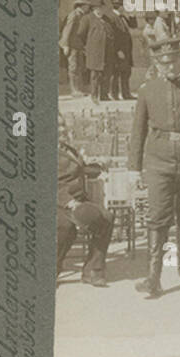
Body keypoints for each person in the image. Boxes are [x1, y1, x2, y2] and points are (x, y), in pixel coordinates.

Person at [129, 37, 180, 297]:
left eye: (173, 61)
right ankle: (153, 276)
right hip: (158, 161)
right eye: (164, 63)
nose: (169, 66)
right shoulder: (148, 90)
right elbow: (138, 131)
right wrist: (133, 167)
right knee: (158, 217)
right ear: (158, 65)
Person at [56, 116, 113, 286]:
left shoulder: (68, 149)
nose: (62, 130)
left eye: (63, 125)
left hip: (78, 200)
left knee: (106, 218)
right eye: (57, 126)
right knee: (66, 228)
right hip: (58, 202)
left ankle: (92, 271)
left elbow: (79, 170)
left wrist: (98, 168)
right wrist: (68, 201)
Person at [60, 0, 93, 95]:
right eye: (87, 5)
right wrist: (65, 45)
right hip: (72, 46)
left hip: (78, 46)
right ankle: (74, 90)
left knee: (79, 67)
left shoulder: (82, 15)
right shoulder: (74, 15)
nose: (88, 7)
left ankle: (79, 89)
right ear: (82, 5)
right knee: (73, 67)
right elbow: (67, 30)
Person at [84, 0, 116, 103]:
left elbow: (112, 33)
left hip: (107, 52)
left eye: (102, 8)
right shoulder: (87, 19)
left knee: (107, 74)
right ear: (94, 9)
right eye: (99, 8)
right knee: (95, 74)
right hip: (95, 52)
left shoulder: (106, 19)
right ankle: (94, 95)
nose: (101, 10)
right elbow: (81, 34)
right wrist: (88, 47)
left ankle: (104, 95)